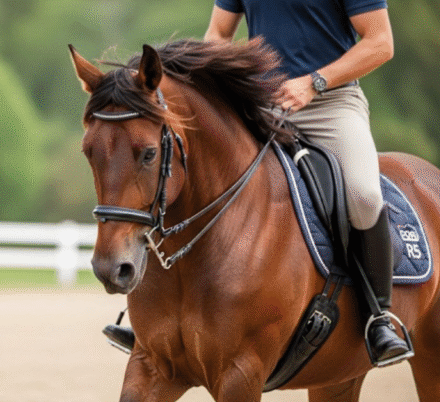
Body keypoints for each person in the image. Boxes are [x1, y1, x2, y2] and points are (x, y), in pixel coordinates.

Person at [105, 0, 413, 367]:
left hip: (331, 103)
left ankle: (379, 316)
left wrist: (314, 82)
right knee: (185, 168)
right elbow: (219, 33)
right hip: (259, 104)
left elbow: (380, 42)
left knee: (363, 194)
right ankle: (151, 321)